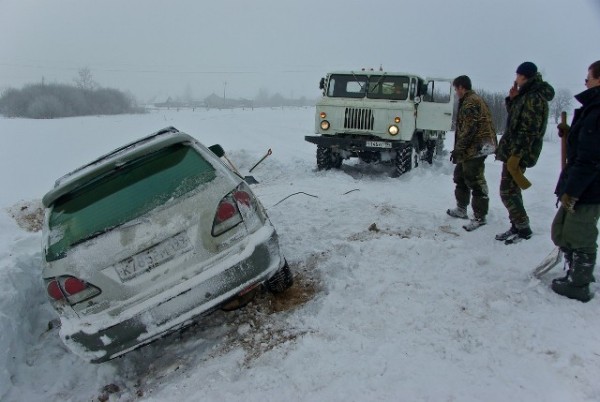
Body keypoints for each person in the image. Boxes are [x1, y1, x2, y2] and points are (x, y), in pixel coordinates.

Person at [550, 60, 600, 302]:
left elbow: (591, 157)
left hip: (589, 186)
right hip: (582, 181)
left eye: (588, 77)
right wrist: (571, 134)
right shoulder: (593, 108)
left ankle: (579, 284)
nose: (585, 81)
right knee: (562, 230)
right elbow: (586, 144)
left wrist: (573, 190)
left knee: (580, 233)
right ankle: (574, 270)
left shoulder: (598, 109)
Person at [495, 62, 555, 243]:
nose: (516, 79)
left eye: (518, 75)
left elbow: (529, 129)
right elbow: (515, 120)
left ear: (525, 76)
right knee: (511, 190)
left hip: (519, 151)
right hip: (514, 149)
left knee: (507, 192)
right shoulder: (525, 95)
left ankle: (523, 228)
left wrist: (517, 154)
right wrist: (513, 99)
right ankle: (517, 225)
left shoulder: (534, 98)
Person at [446, 75, 497, 231]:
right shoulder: (471, 100)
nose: (456, 92)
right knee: (460, 176)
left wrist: (458, 149)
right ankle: (461, 208)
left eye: (456, 89)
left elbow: (469, 130)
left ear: (462, 87)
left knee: (475, 180)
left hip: (476, 148)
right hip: (471, 148)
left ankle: (480, 217)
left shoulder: (470, 102)